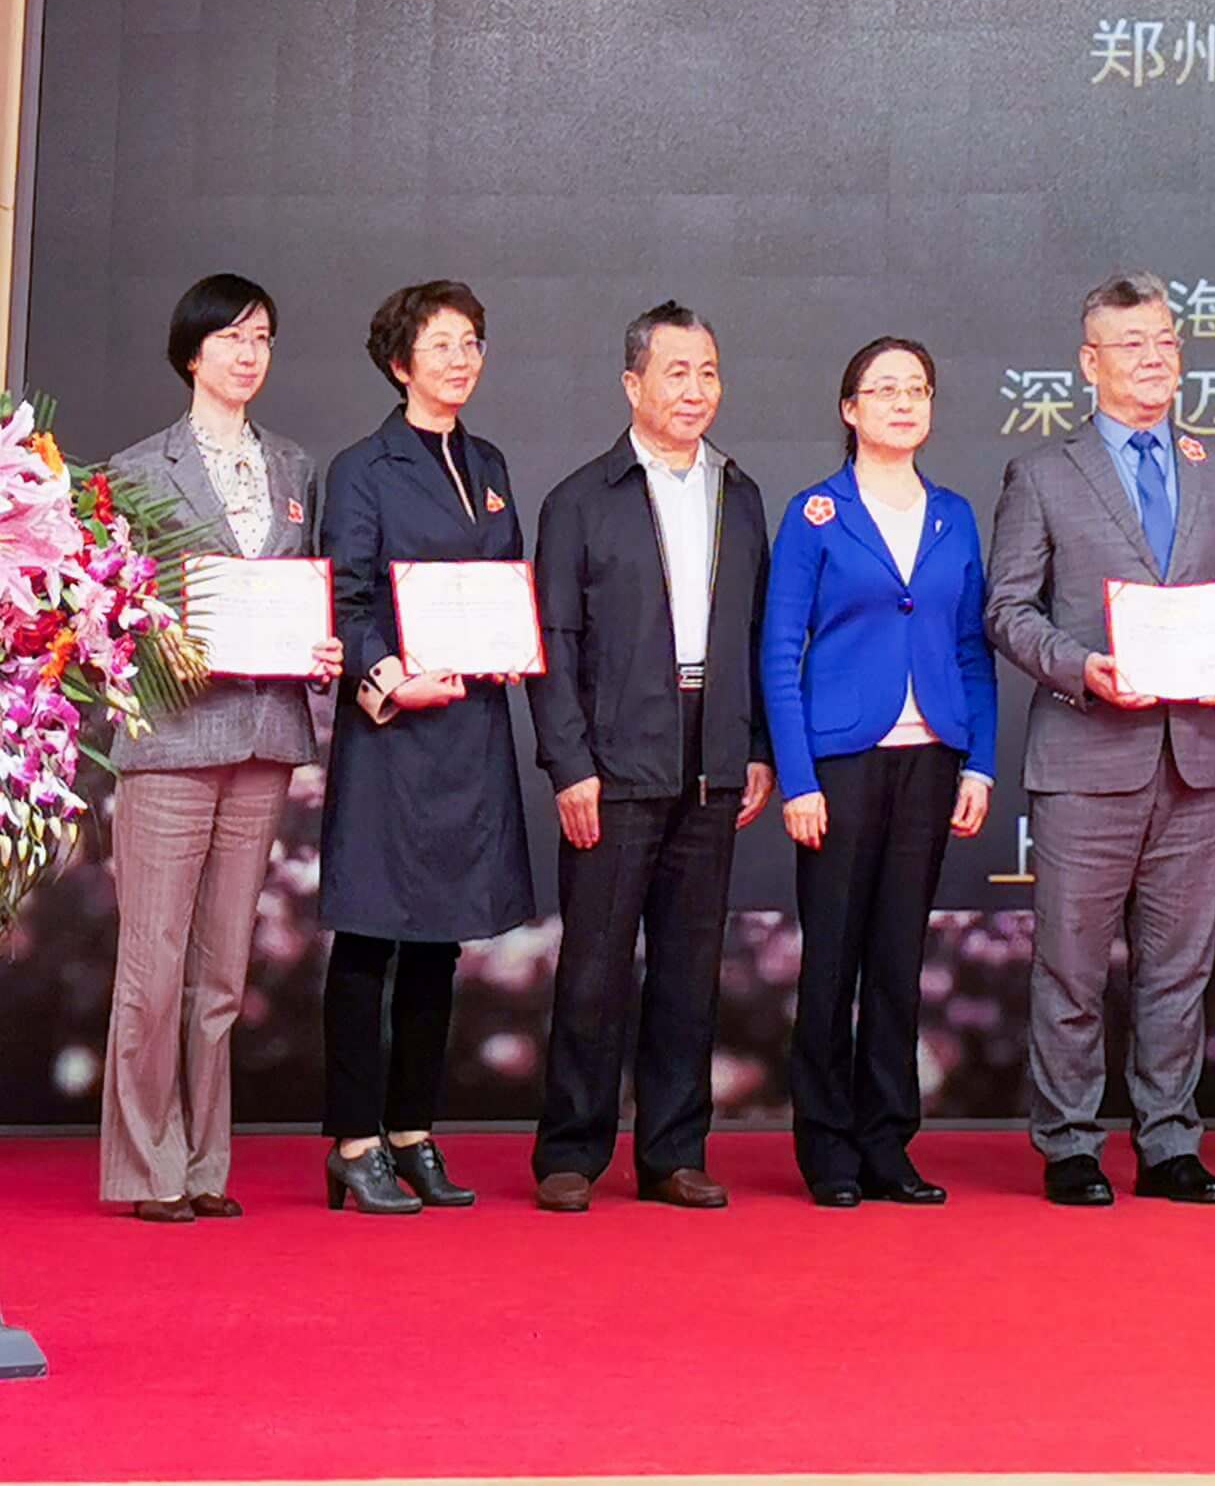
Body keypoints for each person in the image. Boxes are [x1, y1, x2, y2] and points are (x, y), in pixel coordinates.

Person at [987, 274, 1215, 1209]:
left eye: (1166, 342)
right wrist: (1081, 667)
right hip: (1087, 755)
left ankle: (1170, 1141)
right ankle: (1070, 1143)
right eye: (1132, 344)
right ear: (1089, 362)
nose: (1154, 359)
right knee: (1071, 965)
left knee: (1178, 967)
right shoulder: (1044, 473)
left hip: (1196, 754)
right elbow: (1007, 609)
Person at [99, 275, 340, 1221]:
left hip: (264, 734)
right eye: (233, 337)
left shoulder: (294, 468)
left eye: (263, 338)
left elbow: (306, 590)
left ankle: (205, 1164)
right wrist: (152, 642)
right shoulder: (134, 469)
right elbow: (105, 611)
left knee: (222, 973)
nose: (249, 354)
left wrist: (321, 651)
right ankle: (147, 1168)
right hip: (171, 738)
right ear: (191, 351)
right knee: (152, 967)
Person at [526, 302, 774, 1213]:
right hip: (614, 756)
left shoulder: (740, 494)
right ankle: (571, 1150)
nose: (695, 390)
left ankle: (674, 1151)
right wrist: (570, 765)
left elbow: (757, 633)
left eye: (708, 371)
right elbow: (551, 644)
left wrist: (754, 747)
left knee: (689, 967)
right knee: (593, 966)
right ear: (632, 384)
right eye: (676, 372)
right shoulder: (580, 500)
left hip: (713, 753)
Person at [317, 279, 535, 1216]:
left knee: (439, 944)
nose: (460, 359)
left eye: (472, 342)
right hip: (394, 733)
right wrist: (387, 677)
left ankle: (412, 1132)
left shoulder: (488, 461)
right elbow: (346, 597)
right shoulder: (362, 468)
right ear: (400, 362)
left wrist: (513, 642)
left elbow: (507, 583)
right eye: (441, 343)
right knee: (370, 936)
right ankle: (353, 1142)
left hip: (469, 731)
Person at [764, 337, 997, 1209]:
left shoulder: (954, 516)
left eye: (917, 389)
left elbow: (972, 649)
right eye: (884, 389)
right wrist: (797, 779)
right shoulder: (815, 513)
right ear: (849, 409)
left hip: (930, 760)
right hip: (840, 764)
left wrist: (979, 762)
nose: (903, 403)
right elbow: (779, 652)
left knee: (900, 960)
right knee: (831, 960)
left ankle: (888, 1143)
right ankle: (826, 1147)